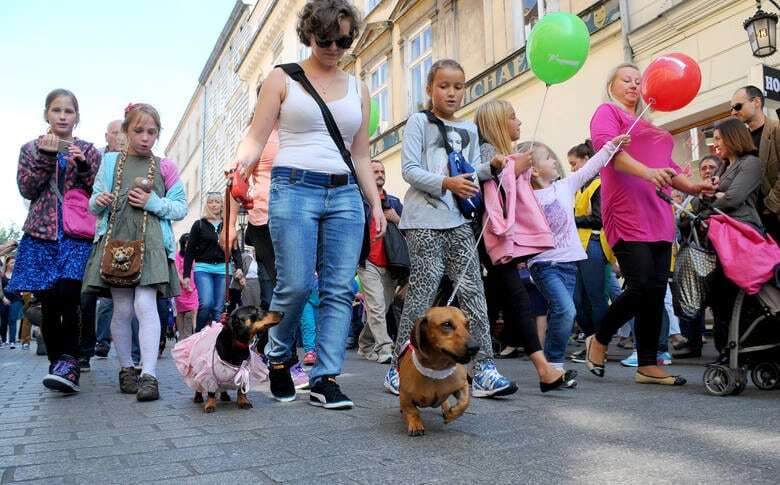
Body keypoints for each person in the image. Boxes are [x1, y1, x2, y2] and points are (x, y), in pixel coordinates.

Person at [231, 0, 385, 410]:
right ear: (309, 34)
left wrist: (375, 200)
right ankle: (279, 354)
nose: (334, 47)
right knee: (295, 283)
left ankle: (325, 377)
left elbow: (361, 155)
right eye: (326, 39)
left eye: (344, 40)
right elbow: (257, 134)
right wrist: (243, 163)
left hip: (345, 193)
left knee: (338, 289)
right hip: (293, 188)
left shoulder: (359, 87)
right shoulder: (282, 78)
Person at [383, 59, 516, 398]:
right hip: (424, 221)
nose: (452, 93)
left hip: (458, 221)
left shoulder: (470, 129)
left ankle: (483, 366)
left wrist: (491, 167)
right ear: (430, 89)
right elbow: (411, 170)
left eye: (458, 86)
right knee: (424, 293)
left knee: (473, 292)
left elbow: (470, 173)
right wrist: (446, 182)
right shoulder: (418, 122)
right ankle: (399, 366)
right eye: (444, 86)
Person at [584, 63, 715, 386]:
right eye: (625, 80)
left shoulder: (652, 126)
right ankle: (599, 338)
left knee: (655, 291)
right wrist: (648, 173)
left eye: (638, 81)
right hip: (627, 211)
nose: (633, 85)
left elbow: (668, 167)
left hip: (658, 213)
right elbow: (609, 151)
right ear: (611, 85)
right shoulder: (607, 113)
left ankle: (647, 364)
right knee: (639, 283)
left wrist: (694, 187)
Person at [83, 103, 187, 401]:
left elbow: (180, 207)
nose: (145, 137)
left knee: (145, 305)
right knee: (123, 309)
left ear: (158, 134)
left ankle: (149, 375)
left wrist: (154, 202)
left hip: (151, 243)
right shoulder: (110, 162)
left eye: (151, 132)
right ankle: (126, 368)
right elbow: (93, 202)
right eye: (138, 131)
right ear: (126, 131)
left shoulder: (165, 166)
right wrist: (98, 201)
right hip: (117, 242)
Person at [474, 99, 576, 391]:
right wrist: (511, 169)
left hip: (497, 237)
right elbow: (492, 196)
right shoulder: (487, 152)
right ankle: (543, 369)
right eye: (513, 117)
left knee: (492, 300)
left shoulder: (502, 153)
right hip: (489, 236)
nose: (519, 123)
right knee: (515, 297)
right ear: (497, 123)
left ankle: (467, 367)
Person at [9, 89, 101, 393]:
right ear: (46, 114)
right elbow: (27, 188)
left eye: (69, 111)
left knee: (70, 295)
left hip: (76, 235)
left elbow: (99, 192)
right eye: (57, 110)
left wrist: (84, 165)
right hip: (41, 234)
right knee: (48, 302)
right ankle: (56, 363)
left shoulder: (88, 150)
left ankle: (71, 362)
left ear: (77, 116)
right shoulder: (30, 149)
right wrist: (48, 157)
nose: (63, 116)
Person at [524, 136, 627, 373]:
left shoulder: (565, 186)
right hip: (544, 264)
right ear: (535, 169)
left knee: (564, 312)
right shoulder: (526, 197)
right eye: (549, 158)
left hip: (569, 264)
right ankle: (554, 367)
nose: (555, 161)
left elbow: (592, 166)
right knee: (566, 310)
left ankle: (553, 368)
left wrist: (612, 146)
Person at [706, 117, 765, 360]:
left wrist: (713, 196)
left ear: (733, 138)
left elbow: (733, 199)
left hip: (742, 235)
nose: (715, 144)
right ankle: (728, 349)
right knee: (720, 292)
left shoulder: (750, 163)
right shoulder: (723, 167)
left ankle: (735, 350)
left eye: (719, 138)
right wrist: (715, 194)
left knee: (732, 293)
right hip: (723, 235)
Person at [356, 160, 403, 364]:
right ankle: (385, 348)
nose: (380, 174)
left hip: (392, 264)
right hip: (368, 262)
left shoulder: (394, 202)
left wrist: (396, 218)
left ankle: (365, 344)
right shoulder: (360, 200)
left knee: (382, 308)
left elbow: (410, 230)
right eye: (375, 171)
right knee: (376, 306)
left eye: (382, 171)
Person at [569, 140, 615, 342]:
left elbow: (599, 219)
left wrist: (572, 219)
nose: (572, 168)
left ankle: (599, 343)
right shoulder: (580, 187)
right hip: (579, 247)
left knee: (596, 298)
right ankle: (590, 339)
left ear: (587, 159)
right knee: (578, 300)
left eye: (573, 163)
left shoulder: (597, 184)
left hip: (594, 246)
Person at [184, 193, 242, 332]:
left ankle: (215, 343)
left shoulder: (228, 225)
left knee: (219, 308)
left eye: (217, 202)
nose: (214, 204)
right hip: (203, 269)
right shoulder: (199, 225)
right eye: (211, 202)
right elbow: (190, 251)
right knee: (206, 304)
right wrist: (186, 275)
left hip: (223, 270)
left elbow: (235, 249)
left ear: (222, 205)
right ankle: (198, 336)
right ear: (207, 205)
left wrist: (239, 267)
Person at [729, 85, 780, 241]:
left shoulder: (777, 129)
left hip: (774, 216)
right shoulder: (742, 143)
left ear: (756, 102)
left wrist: (770, 205)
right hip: (754, 223)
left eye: (737, 106)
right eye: (731, 108)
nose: (733, 112)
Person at [174, 234, 198, 340]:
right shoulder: (178, 256)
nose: (188, 245)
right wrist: (183, 283)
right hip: (181, 287)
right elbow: (176, 271)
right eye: (187, 243)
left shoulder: (195, 255)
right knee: (180, 312)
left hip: (193, 287)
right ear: (183, 244)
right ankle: (181, 334)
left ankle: (195, 332)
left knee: (195, 309)